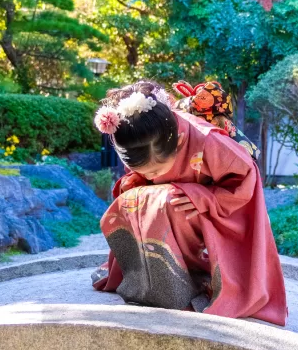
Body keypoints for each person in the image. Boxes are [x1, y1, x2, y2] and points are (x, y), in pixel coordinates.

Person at [90, 80, 287, 326]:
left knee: (169, 201)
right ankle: (153, 281)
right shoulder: (140, 136)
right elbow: (142, 178)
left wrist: (202, 196)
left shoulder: (210, 141)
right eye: (147, 171)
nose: (153, 177)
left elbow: (245, 182)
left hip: (212, 207)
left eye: (158, 168)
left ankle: (191, 279)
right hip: (177, 201)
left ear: (179, 141)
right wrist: (138, 186)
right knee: (131, 201)